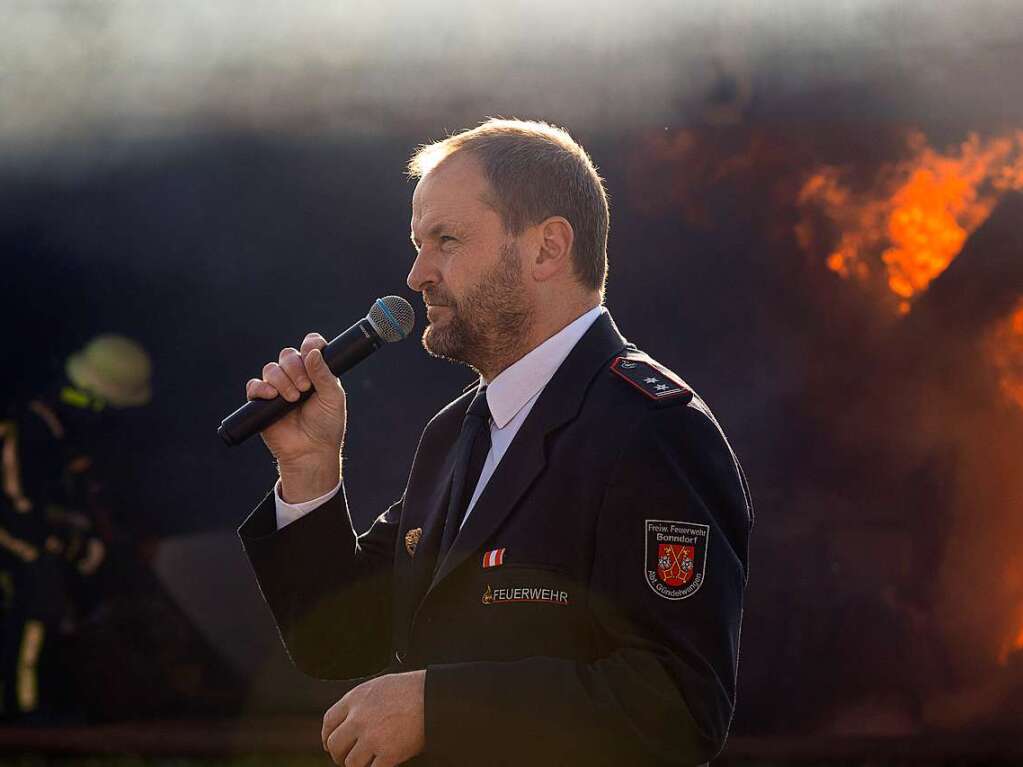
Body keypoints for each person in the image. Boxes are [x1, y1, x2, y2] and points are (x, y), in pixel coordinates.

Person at [239, 119, 753, 767]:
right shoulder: (454, 431)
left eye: (445, 240)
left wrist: (439, 708)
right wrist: (309, 469)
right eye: (417, 243)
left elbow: (677, 705)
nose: (417, 272)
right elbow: (338, 640)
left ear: (546, 249)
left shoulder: (652, 427)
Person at [0, 333, 152, 719]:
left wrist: (85, 540)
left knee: (77, 580)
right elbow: (17, 505)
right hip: (15, 533)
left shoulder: (68, 437)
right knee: (41, 584)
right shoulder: (30, 425)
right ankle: (23, 710)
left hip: (33, 531)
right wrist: (55, 544)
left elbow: (72, 505)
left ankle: (66, 693)